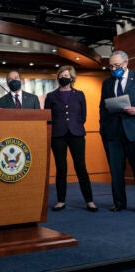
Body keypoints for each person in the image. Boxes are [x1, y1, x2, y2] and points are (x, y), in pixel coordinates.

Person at [44, 65, 98, 212]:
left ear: (72, 77)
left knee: (81, 166)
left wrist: (76, 125)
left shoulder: (80, 94)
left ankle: (89, 200)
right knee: (61, 168)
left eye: (66, 75)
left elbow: (83, 116)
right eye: (61, 75)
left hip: (76, 134)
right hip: (58, 136)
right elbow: (47, 117)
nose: (63, 77)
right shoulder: (51, 96)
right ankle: (61, 200)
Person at [99, 50, 135, 212]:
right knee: (116, 170)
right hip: (113, 133)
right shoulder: (107, 83)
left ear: (126, 63)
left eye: (117, 65)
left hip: (133, 131)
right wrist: (103, 130)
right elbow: (102, 107)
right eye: (111, 66)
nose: (114, 69)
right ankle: (119, 203)